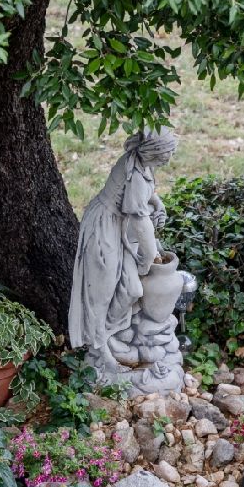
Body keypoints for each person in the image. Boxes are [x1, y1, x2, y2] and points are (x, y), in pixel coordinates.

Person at [68, 127, 177, 373]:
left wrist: (157, 203)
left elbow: (144, 195)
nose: (169, 160)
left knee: (131, 288)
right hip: (105, 228)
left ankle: (108, 332)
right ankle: (100, 349)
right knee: (101, 292)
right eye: (166, 153)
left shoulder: (142, 163)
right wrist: (149, 256)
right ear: (153, 151)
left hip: (120, 227)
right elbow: (139, 220)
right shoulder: (135, 172)